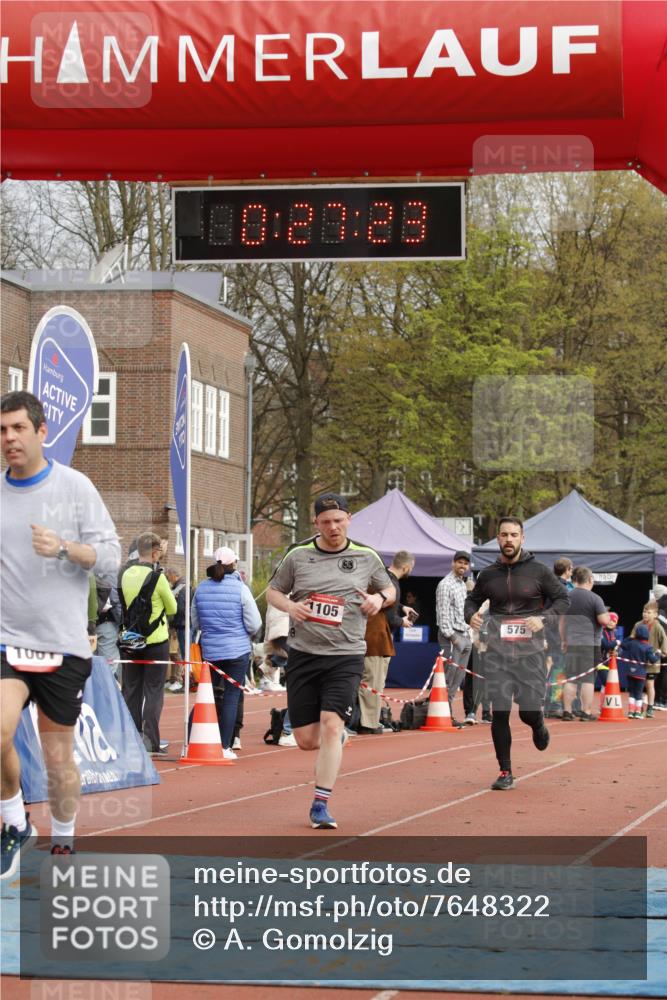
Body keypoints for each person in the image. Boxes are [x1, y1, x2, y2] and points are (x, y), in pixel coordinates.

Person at [1, 391, 120, 876]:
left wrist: (66, 548)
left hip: (61, 645)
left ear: (42, 431)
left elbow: (111, 558)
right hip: (7, 638)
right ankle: (13, 821)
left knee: (58, 759)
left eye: (18, 429)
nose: (9, 438)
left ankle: (65, 839)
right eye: (2, 430)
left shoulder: (75, 487)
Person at [267, 492, 395, 829]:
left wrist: (379, 599)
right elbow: (273, 591)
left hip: (346, 655)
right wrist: (291, 607)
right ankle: (334, 738)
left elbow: (390, 589)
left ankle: (320, 804)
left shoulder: (366, 557)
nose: (333, 527)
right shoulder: (298, 556)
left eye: (338, 521)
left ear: (349, 519)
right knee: (306, 741)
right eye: (326, 522)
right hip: (304, 656)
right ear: (316, 524)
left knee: (331, 723)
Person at [464, 516, 569, 791]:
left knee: (528, 712)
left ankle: (538, 724)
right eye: (503, 535)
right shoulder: (487, 574)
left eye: (513, 535)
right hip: (497, 654)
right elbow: (472, 600)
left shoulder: (539, 571)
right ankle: (505, 770)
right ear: (497, 539)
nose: (508, 540)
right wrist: (470, 616)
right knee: (499, 712)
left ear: (522, 538)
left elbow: (562, 599)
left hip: (530, 654)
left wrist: (543, 618)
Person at [191, 546, 262, 760]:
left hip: (211, 650)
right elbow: (255, 623)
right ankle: (224, 746)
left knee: (207, 696)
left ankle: (191, 738)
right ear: (235, 564)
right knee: (232, 697)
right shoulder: (241, 589)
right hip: (237, 650)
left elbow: (195, 621)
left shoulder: (201, 588)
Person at [120, 532, 177, 755]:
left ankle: (131, 740)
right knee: (153, 691)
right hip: (155, 639)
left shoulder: (124, 574)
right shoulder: (158, 577)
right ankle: (151, 741)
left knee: (131, 689)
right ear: (155, 553)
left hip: (130, 637)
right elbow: (172, 608)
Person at [359, 550, 414, 734]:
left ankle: (369, 720)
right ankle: (368, 723)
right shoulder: (391, 584)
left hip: (373, 638)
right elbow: (390, 616)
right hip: (375, 639)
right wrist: (402, 621)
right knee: (372, 682)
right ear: (406, 567)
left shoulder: (383, 578)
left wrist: (401, 606)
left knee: (372, 682)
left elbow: (385, 603)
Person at [561, 566, 611, 722]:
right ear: (590, 579)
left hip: (572, 643)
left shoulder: (567, 597)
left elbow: (561, 622)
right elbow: (603, 620)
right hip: (590, 644)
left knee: (571, 679)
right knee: (588, 679)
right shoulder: (595, 598)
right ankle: (586, 712)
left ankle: (567, 711)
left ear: (574, 579)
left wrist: (564, 640)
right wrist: (608, 617)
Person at [436, 551, 473, 723]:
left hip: (465, 634)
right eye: (460, 562)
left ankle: (446, 713)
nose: (462, 566)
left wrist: (468, 635)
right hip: (452, 637)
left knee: (458, 678)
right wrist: (453, 637)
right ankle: (444, 714)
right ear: (453, 563)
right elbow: (443, 615)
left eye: (465, 563)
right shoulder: (446, 584)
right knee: (449, 677)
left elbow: (462, 612)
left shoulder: (461, 584)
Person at [544, 558, 574, 717]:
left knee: (550, 666)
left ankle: (550, 702)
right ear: (568, 570)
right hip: (556, 632)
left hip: (547, 630)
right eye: (571, 569)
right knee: (559, 668)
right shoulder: (562, 588)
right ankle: (554, 703)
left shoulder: (549, 584)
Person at [629, 602, 667, 718]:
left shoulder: (658, 627)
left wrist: (663, 652)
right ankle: (638, 707)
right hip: (639, 663)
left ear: (655, 614)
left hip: (652, 663)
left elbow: (664, 640)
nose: (645, 614)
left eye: (648, 612)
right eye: (644, 611)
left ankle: (650, 707)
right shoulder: (637, 625)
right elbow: (631, 638)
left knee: (650, 684)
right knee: (638, 685)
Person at [620, 624, 659, 718]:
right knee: (639, 693)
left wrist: (630, 637)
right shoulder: (648, 647)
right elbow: (653, 660)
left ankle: (630, 711)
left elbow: (622, 644)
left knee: (632, 692)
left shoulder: (632, 643)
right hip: (640, 674)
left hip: (630, 672)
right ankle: (637, 712)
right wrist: (658, 654)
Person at [165, 568, 187, 693]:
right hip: (177, 624)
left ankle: (179, 680)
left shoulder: (182, 587)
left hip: (180, 625)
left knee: (178, 653)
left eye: (169, 578)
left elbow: (180, 608)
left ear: (174, 575)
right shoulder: (178, 586)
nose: (169, 581)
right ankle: (174, 679)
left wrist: (173, 624)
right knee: (174, 653)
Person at [654, 584, 667, 710]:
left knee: (662, 672)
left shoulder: (660, 607)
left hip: (661, 646)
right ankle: (661, 699)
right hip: (663, 645)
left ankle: (660, 699)